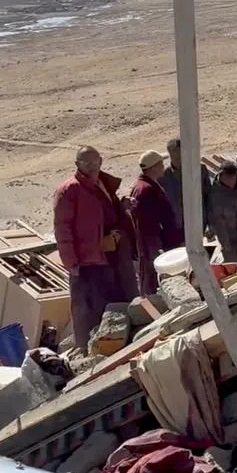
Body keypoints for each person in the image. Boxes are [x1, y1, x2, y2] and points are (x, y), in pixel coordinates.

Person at [53, 146, 138, 349]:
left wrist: (123, 205)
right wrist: (71, 263)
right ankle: (89, 353)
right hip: (88, 261)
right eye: (86, 163)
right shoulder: (70, 190)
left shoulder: (102, 183)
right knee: (92, 311)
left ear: (101, 161)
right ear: (77, 165)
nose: (91, 167)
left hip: (112, 255)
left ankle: (122, 345)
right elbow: (62, 229)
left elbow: (108, 213)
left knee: (119, 303)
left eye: (95, 161)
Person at [128, 150, 183, 295]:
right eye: (160, 164)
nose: (162, 167)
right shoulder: (145, 190)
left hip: (157, 242)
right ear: (154, 167)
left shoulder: (147, 186)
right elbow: (148, 223)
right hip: (155, 245)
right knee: (155, 278)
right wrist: (156, 247)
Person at [159, 137, 212, 236]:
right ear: (170, 154)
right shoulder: (162, 177)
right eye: (177, 156)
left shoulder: (200, 170)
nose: (182, 159)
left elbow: (209, 198)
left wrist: (211, 224)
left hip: (199, 225)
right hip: (175, 229)